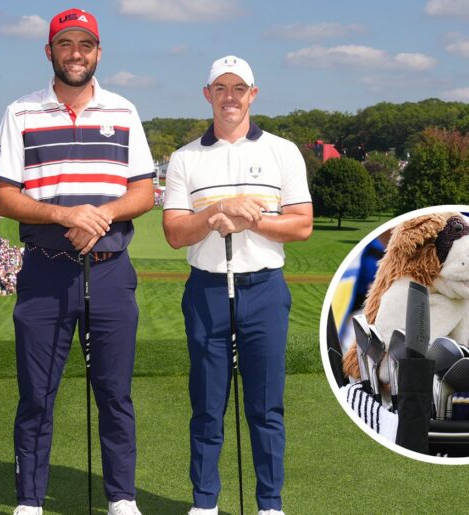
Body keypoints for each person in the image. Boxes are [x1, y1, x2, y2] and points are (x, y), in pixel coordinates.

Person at [0, 8, 155, 515]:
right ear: (50, 52)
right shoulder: (20, 112)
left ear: (98, 53)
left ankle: (122, 498)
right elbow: (4, 196)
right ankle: (30, 501)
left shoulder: (123, 111)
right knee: (37, 394)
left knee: (114, 394)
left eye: (85, 45)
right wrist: (66, 214)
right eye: (66, 45)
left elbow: (144, 191)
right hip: (44, 270)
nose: (76, 54)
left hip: (109, 270)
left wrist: (99, 216)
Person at [162, 55, 313, 515]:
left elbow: (302, 225)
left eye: (239, 88)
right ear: (207, 94)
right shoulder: (185, 158)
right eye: (221, 88)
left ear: (253, 93)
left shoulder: (282, 151)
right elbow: (174, 233)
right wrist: (215, 212)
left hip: (264, 290)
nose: (230, 97)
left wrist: (256, 218)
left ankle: (270, 504)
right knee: (207, 406)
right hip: (206, 290)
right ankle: (204, 503)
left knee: (265, 408)